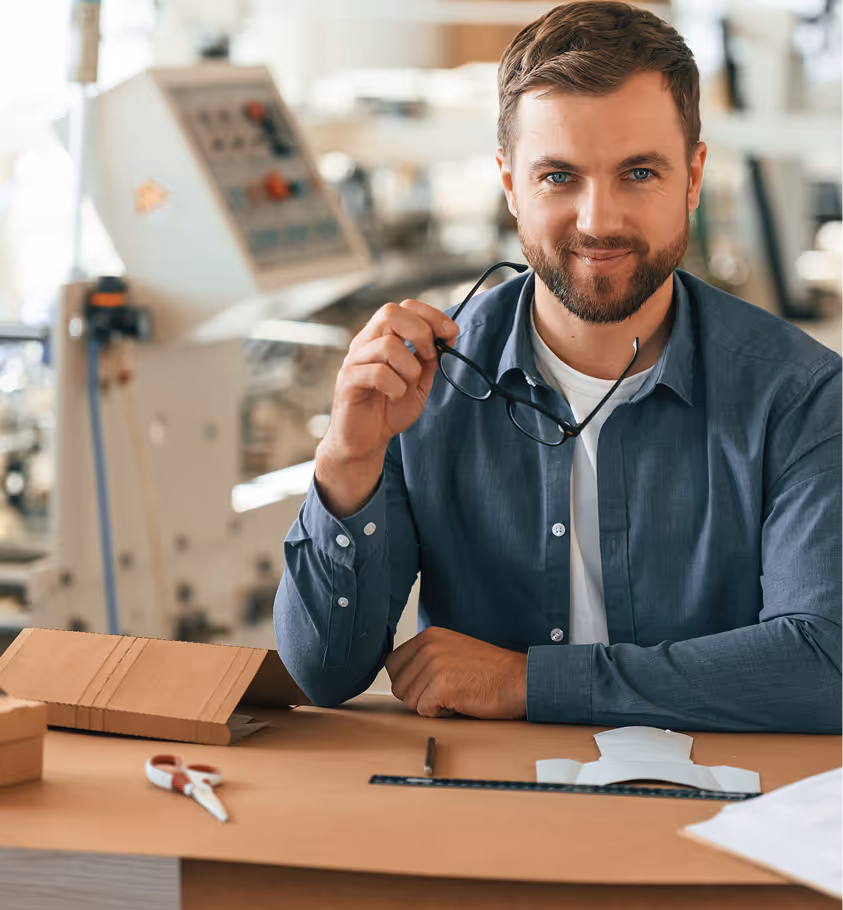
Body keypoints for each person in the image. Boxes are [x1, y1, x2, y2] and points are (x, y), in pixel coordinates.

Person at [274, 1, 843, 732]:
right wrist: (347, 460)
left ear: (692, 177)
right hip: (484, 807)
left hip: (711, 817)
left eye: (638, 172)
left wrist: (528, 682)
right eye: (558, 177)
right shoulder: (423, 383)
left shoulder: (799, 396)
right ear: (509, 183)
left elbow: (825, 667)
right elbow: (320, 675)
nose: (598, 220)